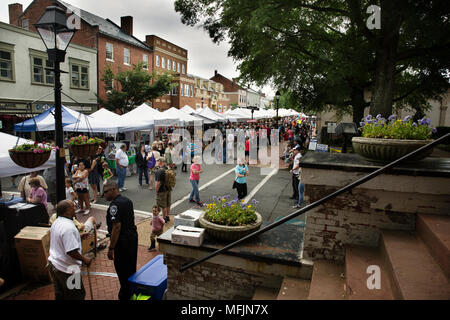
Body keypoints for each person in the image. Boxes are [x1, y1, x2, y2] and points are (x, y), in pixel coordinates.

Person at [47, 200, 92, 300]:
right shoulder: (69, 228)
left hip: (55, 265)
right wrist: (85, 260)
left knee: (60, 295)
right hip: (68, 269)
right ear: (67, 211)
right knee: (76, 297)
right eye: (73, 207)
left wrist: (78, 237)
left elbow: (61, 240)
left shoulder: (57, 222)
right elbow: (71, 251)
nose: (75, 209)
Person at [104, 181, 138, 301]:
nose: (104, 196)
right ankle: (130, 292)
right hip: (132, 239)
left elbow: (116, 227)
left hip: (122, 242)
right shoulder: (127, 201)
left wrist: (111, 248)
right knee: (131, 268)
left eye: (106, 192)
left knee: (123, 270)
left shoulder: (114, 205)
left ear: (113, 190)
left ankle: (125, 295)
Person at [155, 157, 171, 222]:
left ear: (160, 162)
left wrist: (156, 190)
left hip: (162, 190)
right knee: (168, 203)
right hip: (168, 188)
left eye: (157, 161)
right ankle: (167, 216)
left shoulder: (159, 171)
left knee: (163, 205)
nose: (157, 162)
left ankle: (164, 218)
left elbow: (158, 182)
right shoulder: (167, 168)